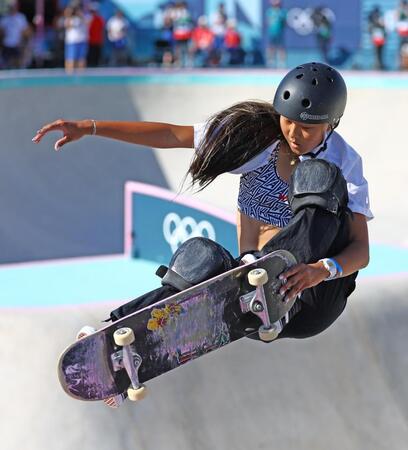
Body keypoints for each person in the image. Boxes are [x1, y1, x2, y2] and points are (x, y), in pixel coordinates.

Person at [32, 62, 372, 407]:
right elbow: (170, 135)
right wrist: (90, 128)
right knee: (200, 255)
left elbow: (361, 249)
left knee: (319, 174)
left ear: (330, 124)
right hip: (254, 294)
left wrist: (322, 269)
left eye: (307, 128)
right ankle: (119, 347)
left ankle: (274, 274)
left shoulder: (344, 160)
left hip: (316, 295)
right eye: (288, 121)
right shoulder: (256, 138)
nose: (295, 134)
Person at [0, 2, 31, 69]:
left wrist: (23, 42)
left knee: (18, 62)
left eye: (14, 7)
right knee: (6, 63)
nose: (12, 9)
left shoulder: (21, 17)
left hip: (17, 44)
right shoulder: (5, 18)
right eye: (11, 7)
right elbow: (1, 32)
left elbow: (25, 31)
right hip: (7, 44)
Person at [63, 3, 89, 73]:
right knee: (70, 60)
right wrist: (68, 14)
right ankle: (69, 76)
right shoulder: (69, 19)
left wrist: (80, 15)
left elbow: (88, 23)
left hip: (82, 41)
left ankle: (81, 78)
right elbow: (67, 26)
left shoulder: (85, 16)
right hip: (71, 42)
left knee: (81, 60)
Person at [265, 0, 287, 68]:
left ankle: (282, 62)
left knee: (281, 47)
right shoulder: (269, 11)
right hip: (271, 33)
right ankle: (270, 61)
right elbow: (268, 22)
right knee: (271, 47)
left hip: (279, 33)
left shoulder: (282, 11)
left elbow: (284, 22)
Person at [368, 6, 386, 70]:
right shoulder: (372, 20)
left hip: (380, 38)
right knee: (376, 52)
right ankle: (377, 65)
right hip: (376, 38)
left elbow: (384, 28)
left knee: (380, 52)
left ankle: (380, 65)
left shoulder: (381, 19)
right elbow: (370, 29)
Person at [87, 2, 104, 67]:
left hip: (97, 40)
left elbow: (101, 30)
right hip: (91, 40)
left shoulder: (99, 19)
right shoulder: (89, 18)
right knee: (91, 55)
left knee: (96, 56)